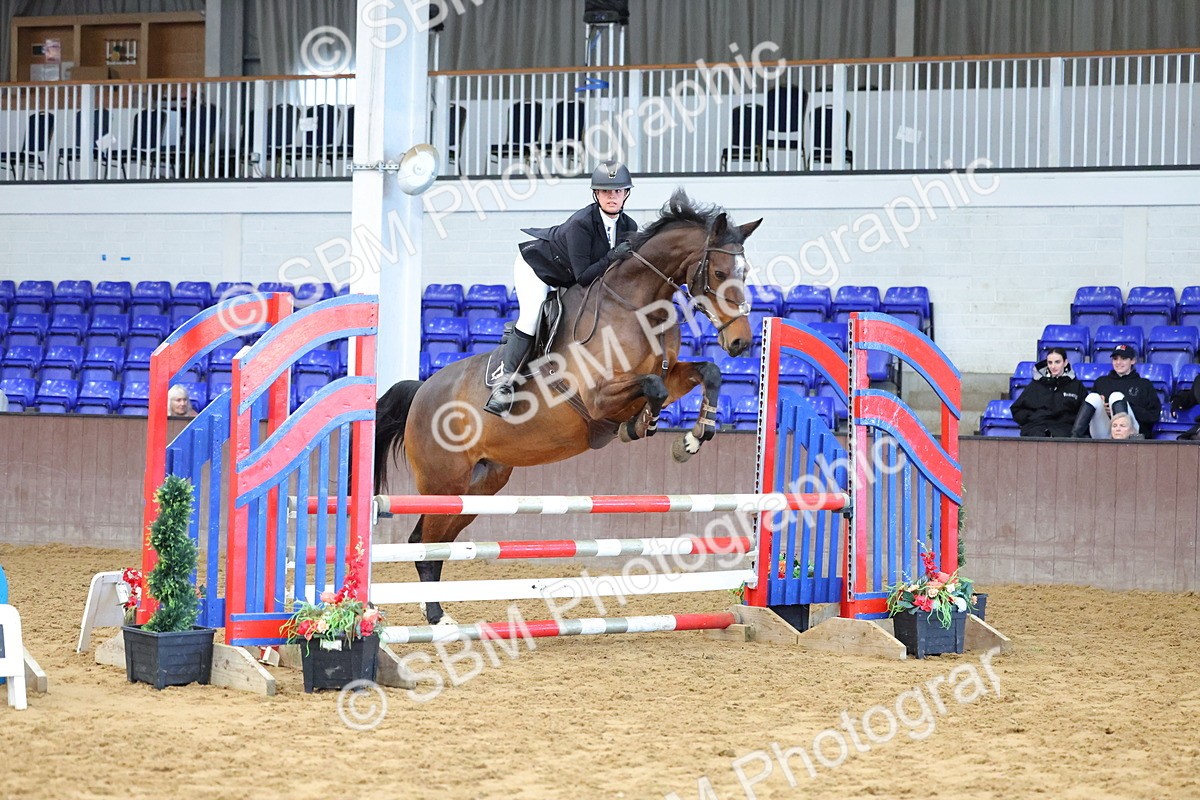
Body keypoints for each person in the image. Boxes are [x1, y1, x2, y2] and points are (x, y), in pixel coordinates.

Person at [483, 160, 639, 415]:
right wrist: (613, 256)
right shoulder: (582, 223)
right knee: (532, 317)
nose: (613, 196)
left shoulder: (629, 226)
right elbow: (584, 277)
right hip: (538, 269)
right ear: (596, 194)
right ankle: (504, 386)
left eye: (618, 191)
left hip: (569, 276)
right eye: (606, 191)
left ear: (626, 194)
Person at [1071, 344, 1161, 438]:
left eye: (1123, 358)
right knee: (1092, 397)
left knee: (1116, 396)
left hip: (1132, 433)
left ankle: (1122, 440)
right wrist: (1103, 408)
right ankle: (1074, 439)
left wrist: (1124, 405)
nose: (1118, 362)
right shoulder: (1101, 382)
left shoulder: (1144, 384)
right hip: (1105, 431)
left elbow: (1153, 416)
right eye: (1115, 359)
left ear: (1133, 361)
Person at [1010, 348, 1085, 437]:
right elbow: (1017, 409)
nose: (1053, 366)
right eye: (1050, 362)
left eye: (1057, 362)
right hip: (1036, 427)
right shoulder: (1036, 384)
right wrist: (1031, 418)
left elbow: (1084, 412)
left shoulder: (1076, 385)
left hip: (1065, 430)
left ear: (1065, 363)